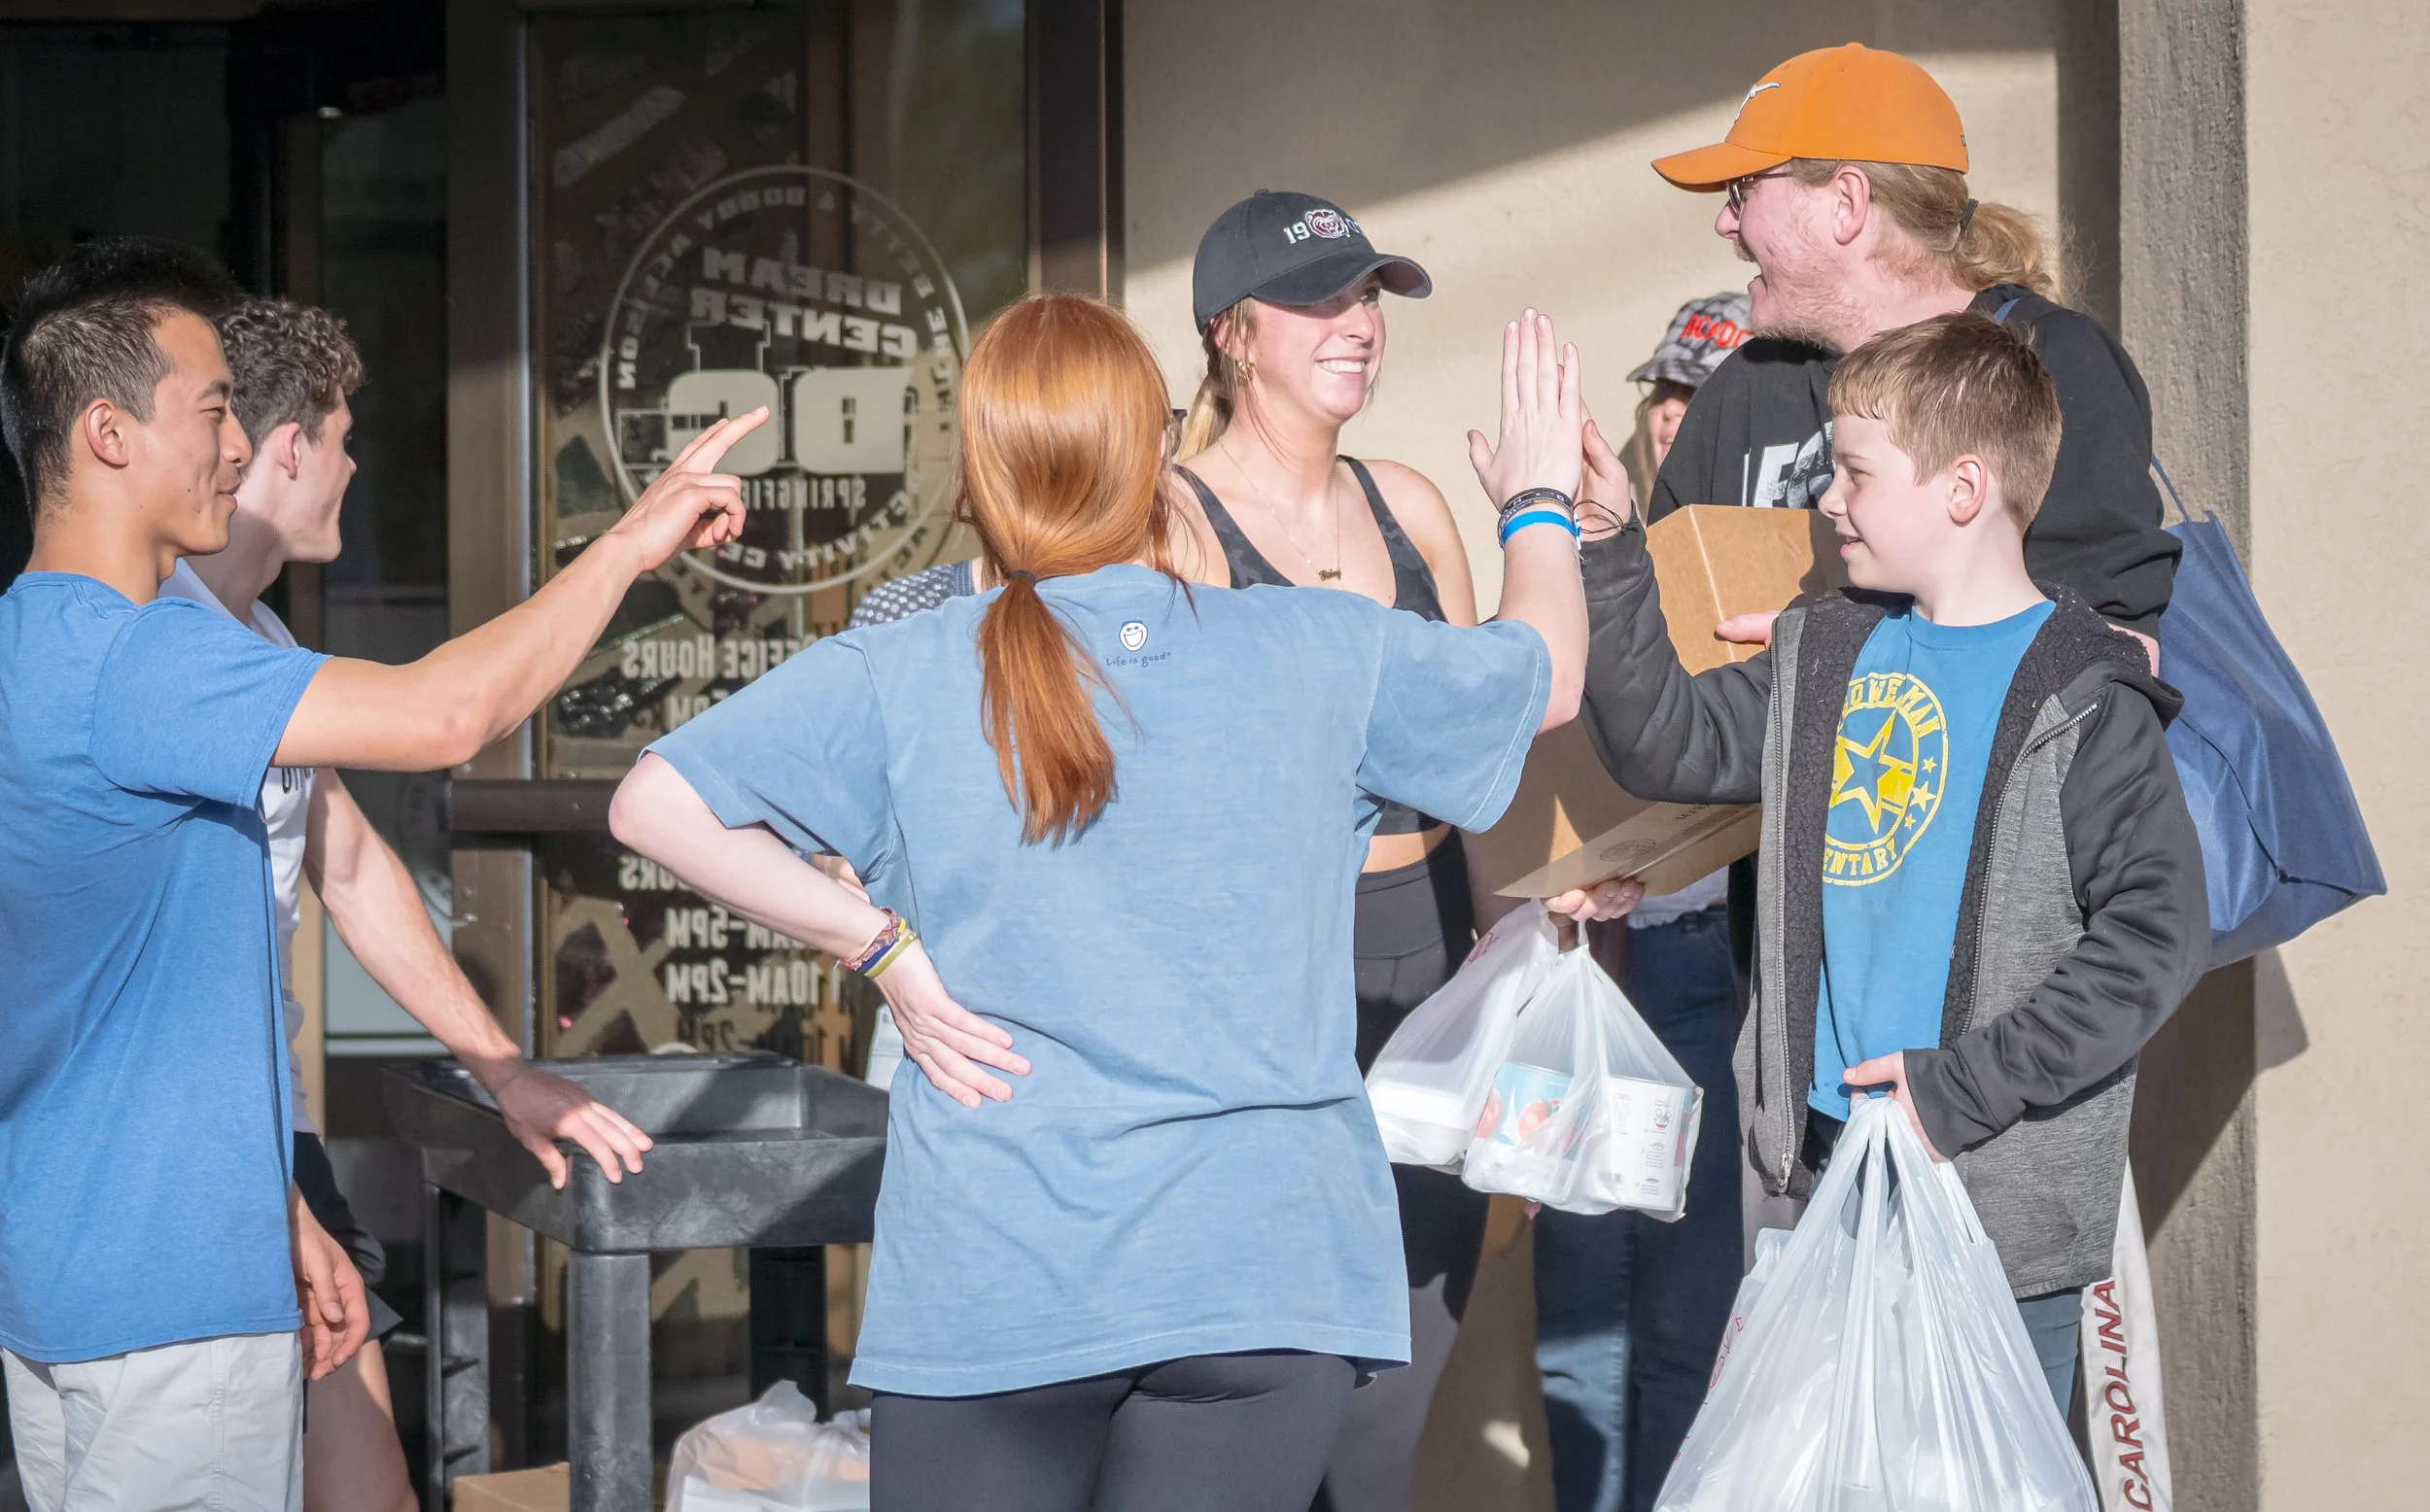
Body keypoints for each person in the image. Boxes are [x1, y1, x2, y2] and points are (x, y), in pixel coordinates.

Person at [608, 293, 1590, 1512]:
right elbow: (1542, 675)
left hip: (1002, 1274)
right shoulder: (1318, 645)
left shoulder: (899, 670)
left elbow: (651, 803)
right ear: (1159, 450)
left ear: (981, 475)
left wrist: (882, 950)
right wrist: (1540, 502)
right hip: (1259, 1266)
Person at [0, 236, 756, 1510]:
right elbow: (445, 717)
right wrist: (630, 544)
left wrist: (313, 1176)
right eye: (213, 413)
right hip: (175, 1289)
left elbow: (299, 894)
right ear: (109, 434)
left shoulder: (37, 645)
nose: (239, 451)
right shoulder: (144, 666)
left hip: (86, 1271)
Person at [1572, 311, 2205, 1413]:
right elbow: (1661, 741)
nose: (1826, 499)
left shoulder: (2084, 697)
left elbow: (2153, 940)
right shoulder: (1825, 647)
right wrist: (1608, 547)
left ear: (1963, 489)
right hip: (1827, 1181)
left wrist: (1955, 1089)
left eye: (1854, 471)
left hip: (1996, 1217)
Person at [166, 296, 656, 1512]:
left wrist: (502, 1065)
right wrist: (630, 545)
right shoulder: (166, 644)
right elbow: (448, 717)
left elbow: (349, 865)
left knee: (367, 1491)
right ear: (279, 450)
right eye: (340, 435)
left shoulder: (259, 632)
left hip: (268, 1144)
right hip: (193, 1165)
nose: (352, 464)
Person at [1631, 43, 2178, 662]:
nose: (1725, 224)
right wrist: (1594, 546)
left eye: (1742, 191)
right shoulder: (1747, 385)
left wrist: (1830, 654)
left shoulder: (2049, 361)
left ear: (1846, 202)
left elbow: (2114, 659)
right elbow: (1664, 634)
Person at [1531, 291, 1749, 1512]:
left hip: (1708, 962)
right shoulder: (1586, 537)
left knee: (1681, 1306)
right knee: (1574, 1297)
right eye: (1664, 392)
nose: (1674, 415)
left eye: (1701, 395)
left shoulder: (1787, 551)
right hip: (1581, 952)